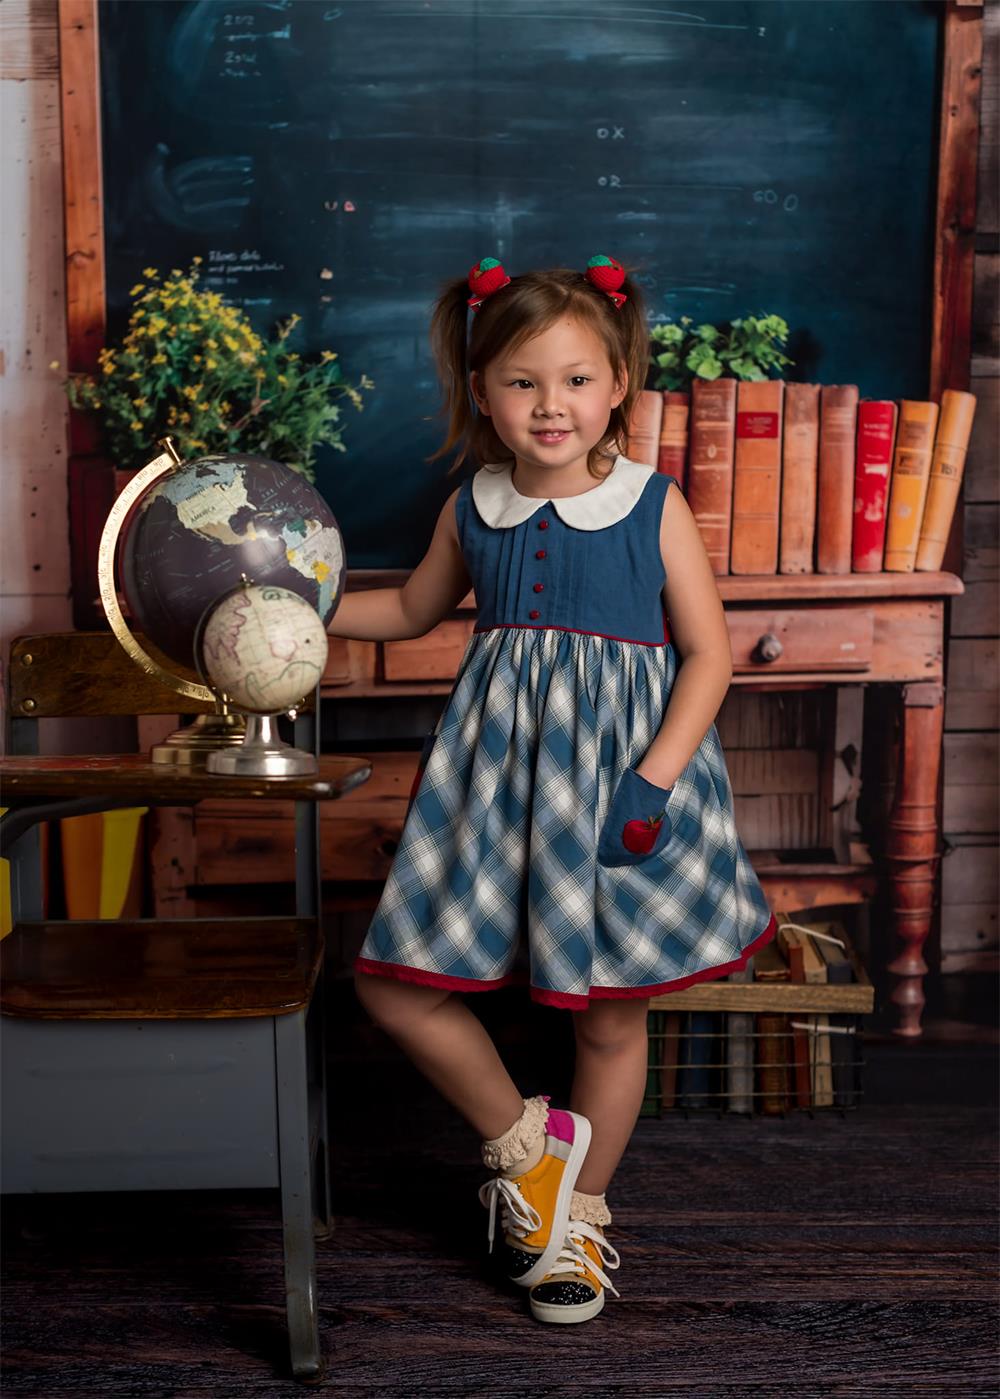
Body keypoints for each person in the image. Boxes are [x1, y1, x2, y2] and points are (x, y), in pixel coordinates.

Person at [328, 254, 777, 1325]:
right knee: (393, 985)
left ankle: (575, 1220)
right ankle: (528, 1155)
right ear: (481, 390)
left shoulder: (648, 504)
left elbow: (708, 656)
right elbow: (404, 613)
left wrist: (653, 781)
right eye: (523, 381)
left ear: (618, 382)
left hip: (624, 784)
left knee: (612, 1020)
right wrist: (300, 604)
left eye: (577, 379)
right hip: (494, 784)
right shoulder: (470, 505)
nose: (551, 404)